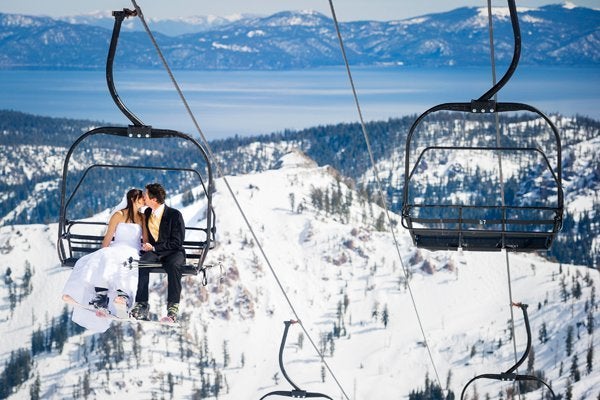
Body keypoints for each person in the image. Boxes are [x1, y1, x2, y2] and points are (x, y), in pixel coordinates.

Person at [62, 188, 146, 333]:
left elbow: (146, 238)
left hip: (133, 249)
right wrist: (103, 251)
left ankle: (123, 295)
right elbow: (108, 236)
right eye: (141, 198)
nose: (144, 201)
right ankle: (101, 296)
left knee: (126, 262)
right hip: (117, 246)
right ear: (133, 199)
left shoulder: (142, 218)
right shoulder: (118, 215)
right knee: (106, 257)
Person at [131, 183, 186, 323]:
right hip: (155, 252)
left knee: (174, 266)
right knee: (143, 263)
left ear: (154, 199)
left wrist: (154, 248)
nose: (143, 197)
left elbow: (177, 241)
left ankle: (172, 309)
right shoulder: (148, 213)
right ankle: (142, 304)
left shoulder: (174, 215)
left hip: (173, 251)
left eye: (145, 195)